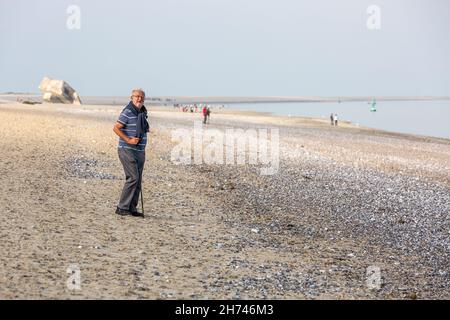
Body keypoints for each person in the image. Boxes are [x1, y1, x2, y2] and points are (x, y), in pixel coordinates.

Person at [113, 88, 149, 217]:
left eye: (142, 97)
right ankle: (122, 207)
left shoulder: (142, 113)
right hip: (127, 149)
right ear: (131, 98)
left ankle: (132, 208)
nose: (139, 99)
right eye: (137, 96)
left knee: (138, 180)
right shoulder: (128, 112)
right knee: (133, 177)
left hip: (140, 151)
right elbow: (116, 128)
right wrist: (128, 139)